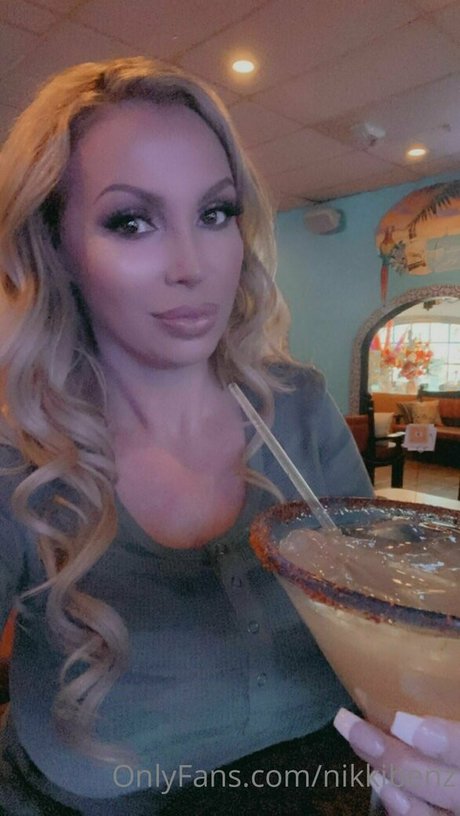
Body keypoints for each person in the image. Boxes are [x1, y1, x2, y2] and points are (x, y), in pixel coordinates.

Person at [0, 57, 457, 816]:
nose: (194, 266)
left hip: (316, 785)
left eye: (215, 213)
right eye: (131, 221)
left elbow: (386, 607)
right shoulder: (19, 454)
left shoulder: (298, 403)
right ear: (57, 248)